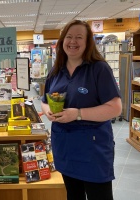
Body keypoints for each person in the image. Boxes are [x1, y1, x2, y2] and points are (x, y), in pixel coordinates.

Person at [41, 20, 122, 200]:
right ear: (62, 41)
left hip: (93, 149)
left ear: (87, 42)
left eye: (79, 37)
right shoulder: (56, 71)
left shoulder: (99, 69)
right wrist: (47, 111)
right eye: (69, 37)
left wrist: (77, 114)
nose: (73, 41)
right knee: (73, 195)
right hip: (64, 147)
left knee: (99, 196)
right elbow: (44, 100)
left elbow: (115, 108)